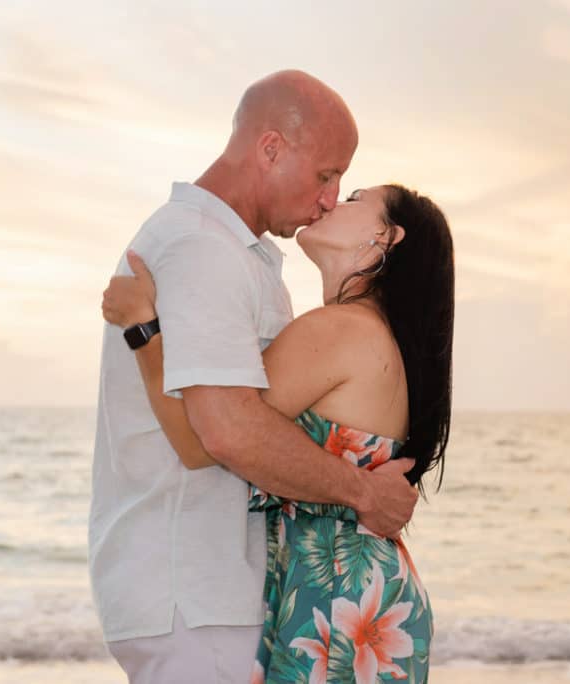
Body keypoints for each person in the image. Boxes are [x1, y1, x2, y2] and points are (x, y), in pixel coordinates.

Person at [89, 71, 420, 684]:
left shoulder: (245, 257)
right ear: (270, 148)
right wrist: (365, 493)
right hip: (194, 595)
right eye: (327, 175)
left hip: (223, 596)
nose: (330, 196)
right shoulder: (201, 248)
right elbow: (224, 432)